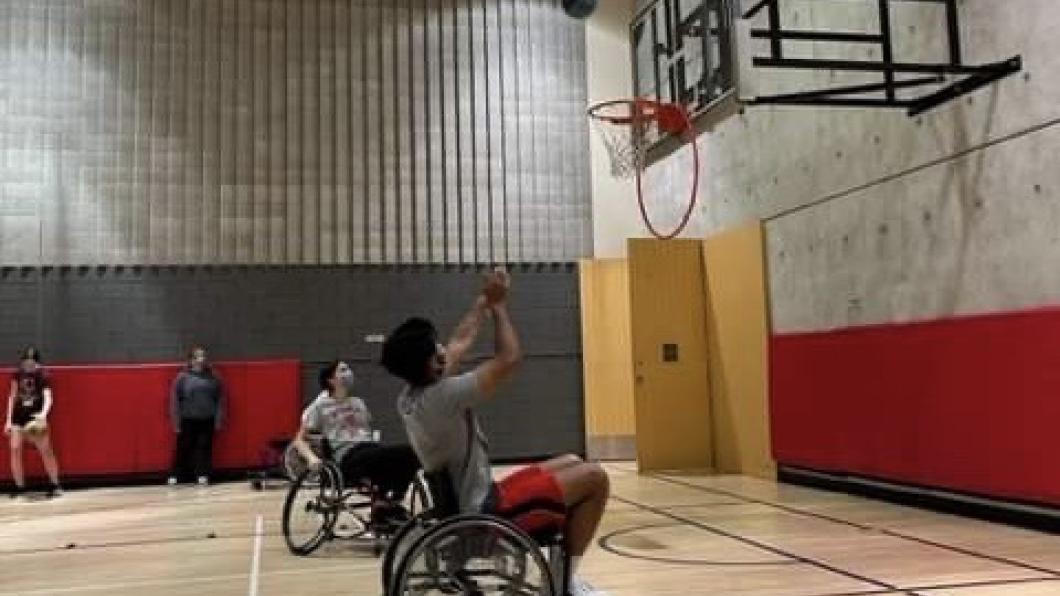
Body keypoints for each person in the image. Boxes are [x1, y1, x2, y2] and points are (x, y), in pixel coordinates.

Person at [382, 269, 611, 596]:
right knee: (595, 478)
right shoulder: (443, 396)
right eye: (437, 350)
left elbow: (460, 340)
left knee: (573, 460)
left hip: (472, 498)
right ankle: (566, 584)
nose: (444, 349)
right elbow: (510, 358)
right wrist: (501, 307)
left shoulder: (411, 396)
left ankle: (563, 565)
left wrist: (484, 301)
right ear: (431, 365)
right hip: (483, 511)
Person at [290, 361, 420, 519]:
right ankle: (385, 505)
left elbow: (366, 432)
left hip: (369, 448)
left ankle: (387, 504)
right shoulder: (320, 407)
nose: (348, 373)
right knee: (393, 455)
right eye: (343, 370)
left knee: (413, 454)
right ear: (331, 380)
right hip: (348, 456)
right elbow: (299, 440)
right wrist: (312, 459)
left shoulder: (358, 403)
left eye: (348, 369)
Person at [4, 347, 63, 499]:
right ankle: (19, 486)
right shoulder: (17, 374)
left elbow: (48, 397)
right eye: (26, 362)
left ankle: (55, 484)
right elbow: (12, 396)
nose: (29, 365)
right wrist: (8, 421)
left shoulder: (43, 375)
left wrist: (43, 415)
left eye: (32, 363)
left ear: (37, 363)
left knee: (46, 450)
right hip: (18, 417)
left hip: (35, 418)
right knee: (15, 448)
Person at [168, 346, 225, 486]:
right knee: (183, 447)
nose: (202, 359)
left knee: (204, 447)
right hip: (188, 418)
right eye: (199, 356)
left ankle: (202, 474)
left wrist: (218, 420)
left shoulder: (214, 377)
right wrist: (176, 422)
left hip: (207, 419)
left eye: (204, 356)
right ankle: (175, 475)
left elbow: (220, 400)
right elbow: (175, 400)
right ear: (191, 360)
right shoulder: (182, 377)